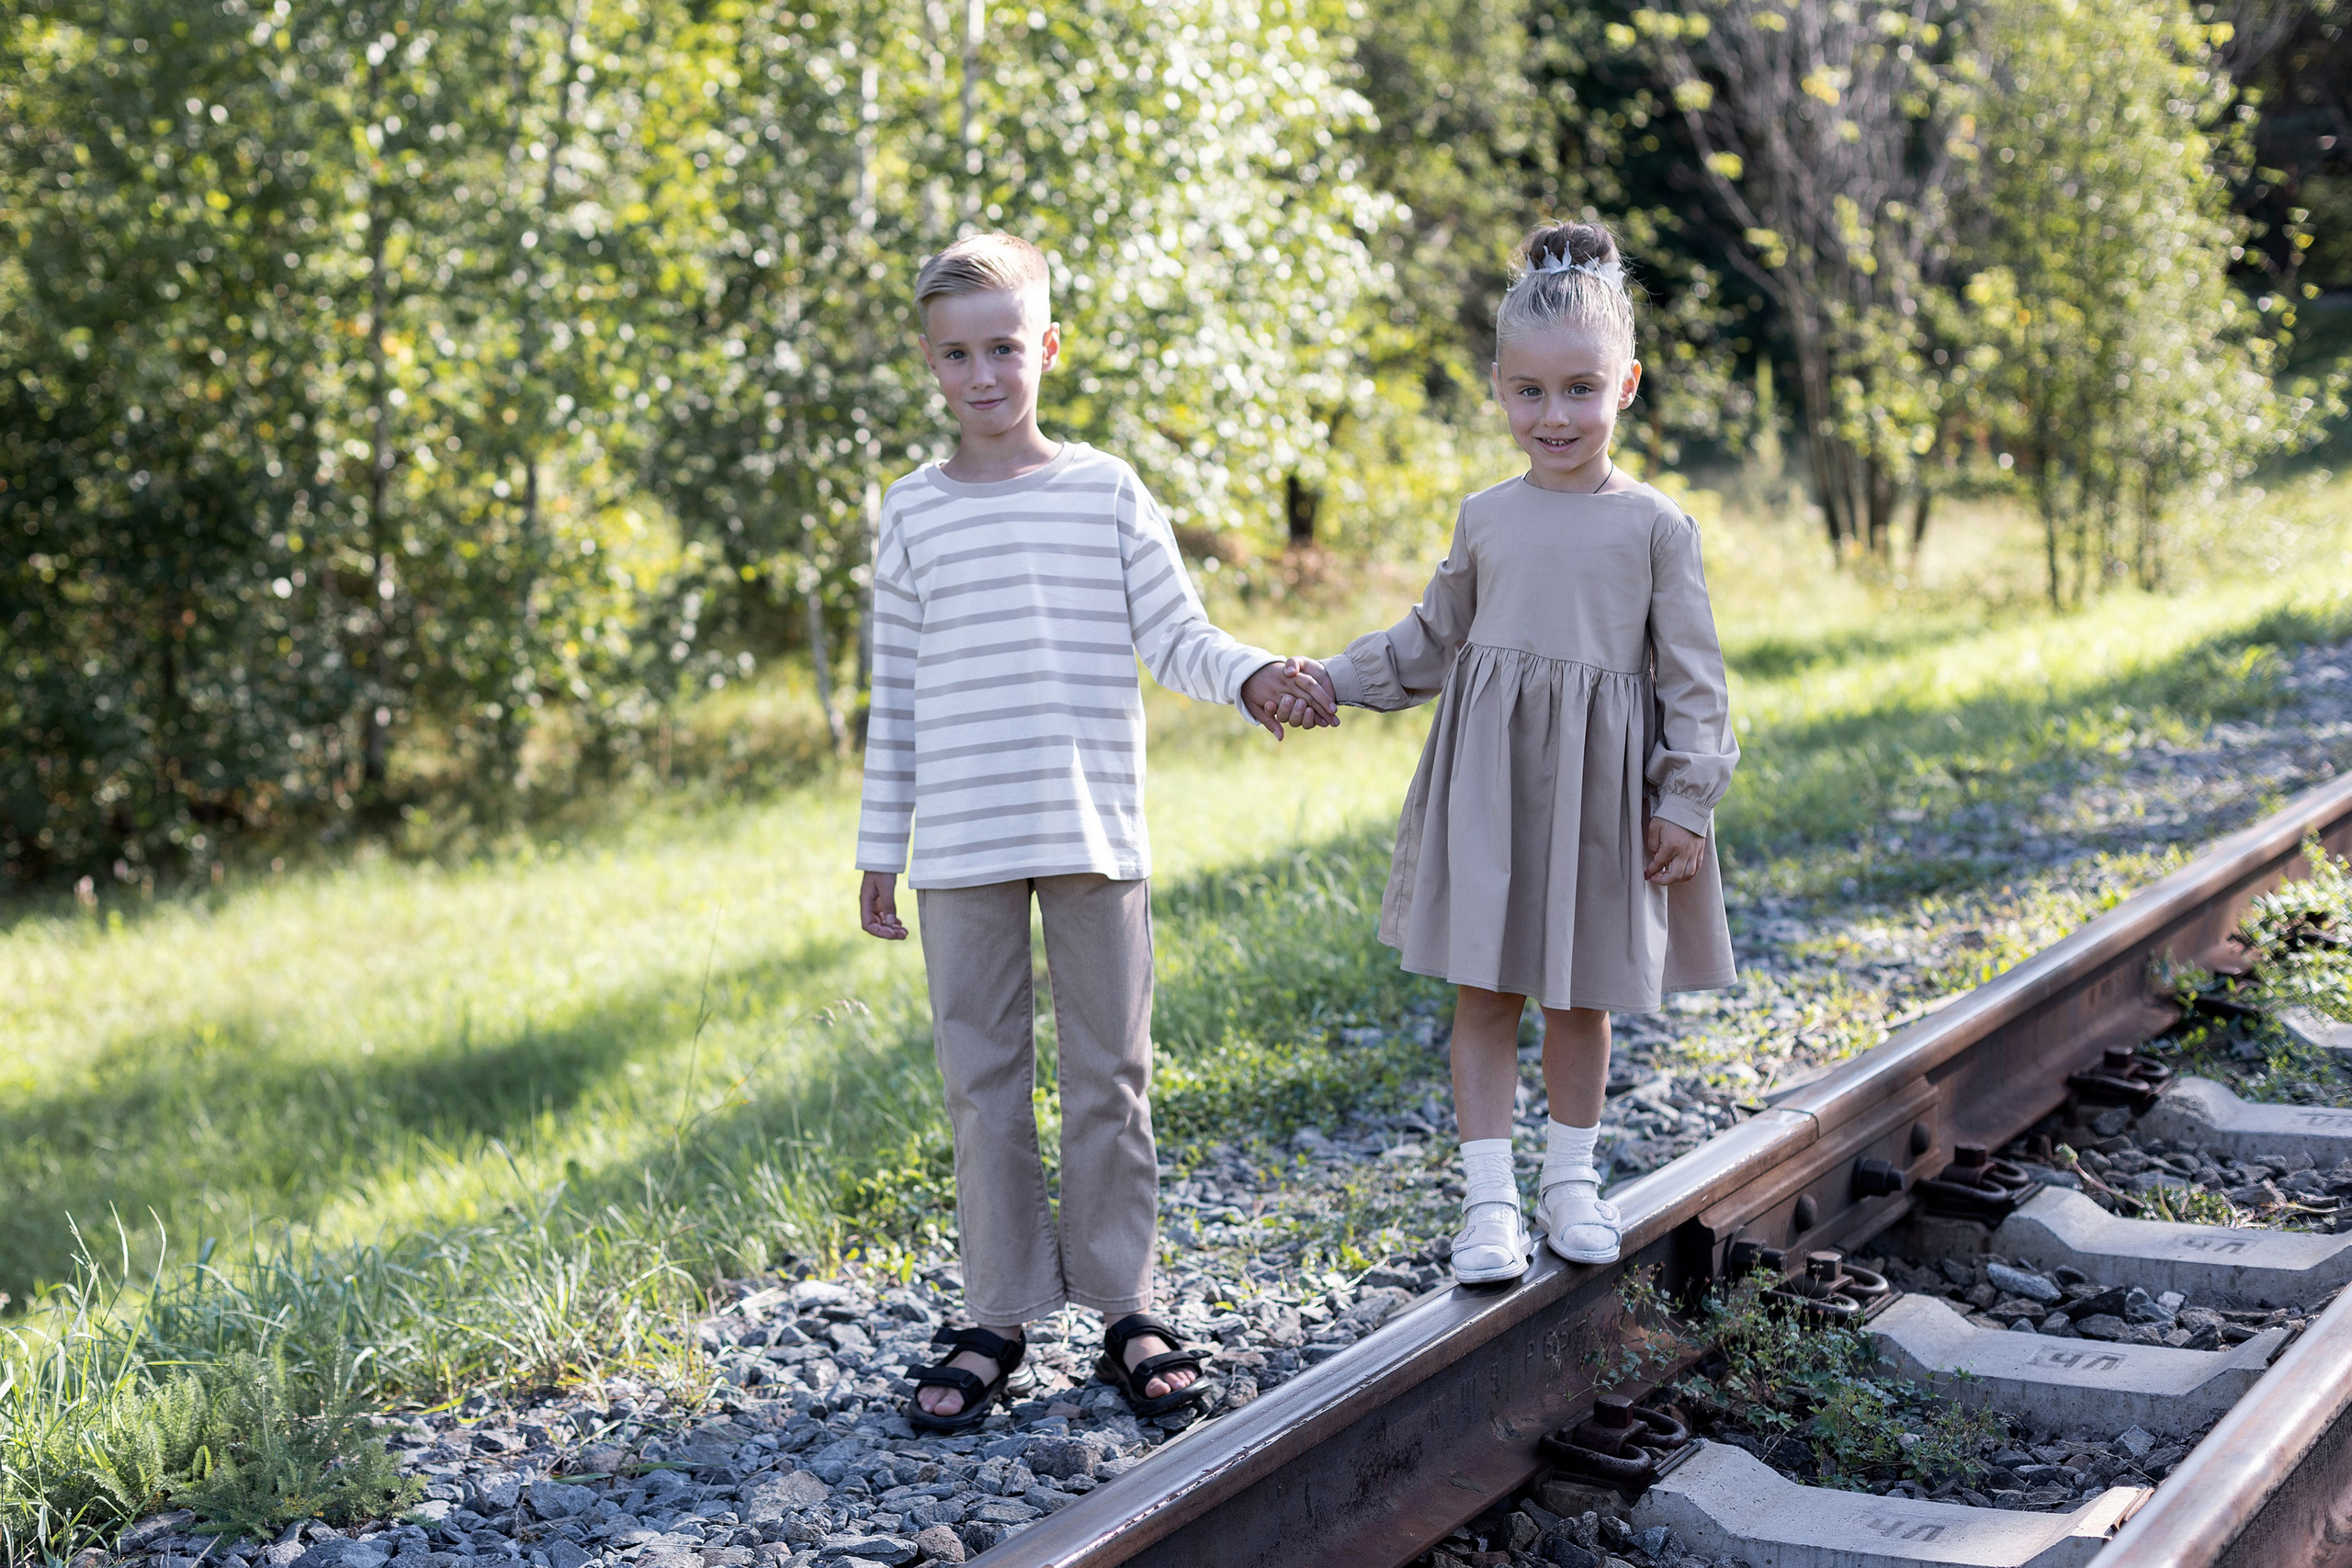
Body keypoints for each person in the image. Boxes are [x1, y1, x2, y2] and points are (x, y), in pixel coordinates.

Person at [854, 232, 1339, 1429]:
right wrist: (881, 846)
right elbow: (894, 694)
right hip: (962, 844)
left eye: (1006, 348)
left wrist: (1253, 677)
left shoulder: (1105, 490)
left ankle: (1126, 1299)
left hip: (1093, 831)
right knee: (984, 1086)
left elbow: (1179, 635)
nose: (984, 375)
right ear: (929, 361)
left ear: (1048, 348)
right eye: (959, 354)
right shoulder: (910, 513)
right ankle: (998, 1310)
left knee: (1110, 1077)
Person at [1274, 219, 1738, 1284]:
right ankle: (1489, 1202)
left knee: (1579, 995)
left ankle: (1570, 1184)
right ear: (1497, 389)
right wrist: (1330, 681)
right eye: (1528, 392)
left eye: (1579, 389)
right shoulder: (1486, 517)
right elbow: (1429, 641)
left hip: (1600, 796)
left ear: (1625, 384)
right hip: (1489, 790)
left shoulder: (1655, 526)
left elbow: (1693, 678)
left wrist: (1686, 799)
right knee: (1482, 994)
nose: (1553, 415)